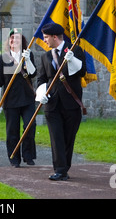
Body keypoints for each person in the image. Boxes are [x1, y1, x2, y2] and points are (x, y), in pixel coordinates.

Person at [35, 23, 86, 181]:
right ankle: (60, 169)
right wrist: (41, 94)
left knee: (68, 137)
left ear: (54, 37)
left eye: (46, 38)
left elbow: (82, 72)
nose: (45, 40)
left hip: (71, 103)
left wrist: (72, 61)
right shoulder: (46, 56)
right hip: (52, 104)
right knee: (56, 136)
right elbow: (41, 79)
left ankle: (64, 167)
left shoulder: (74, 50)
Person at [0, 28, 37, 167]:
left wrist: (28, 60)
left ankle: (28, 155)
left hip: (27, 99)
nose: (14, 40)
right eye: (12, 38)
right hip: (11, 101)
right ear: (9, 41)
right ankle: (14, 158)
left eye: (17, 38)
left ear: (21, 41)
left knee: (30, 125)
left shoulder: (28, 55)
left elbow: (33, 74)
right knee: (12, 130)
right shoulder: (4, 58)